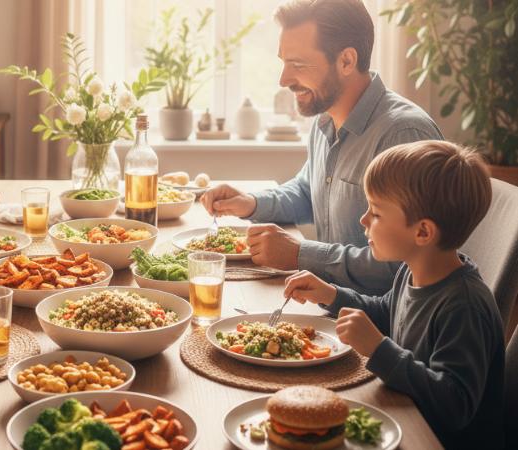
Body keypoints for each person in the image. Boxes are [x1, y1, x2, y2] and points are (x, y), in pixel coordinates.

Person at [201, 0, 443, 294]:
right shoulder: (325, 119)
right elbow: (308, 192)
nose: (284, 79)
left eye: (298, 64)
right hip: (331, 303)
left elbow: (405, 267)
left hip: (378, 326)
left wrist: (300, 254)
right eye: (284, 62)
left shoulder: (403, 135)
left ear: (346, 61)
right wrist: (251, 202)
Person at [283, 141, 504, 449]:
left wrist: (377, 349)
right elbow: (388, 312)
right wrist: (332, 295)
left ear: (423, 232)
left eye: (375, 213)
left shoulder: (463, 306)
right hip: (405, 415)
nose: (363, 221)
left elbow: (455, 406)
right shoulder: (412, 270)